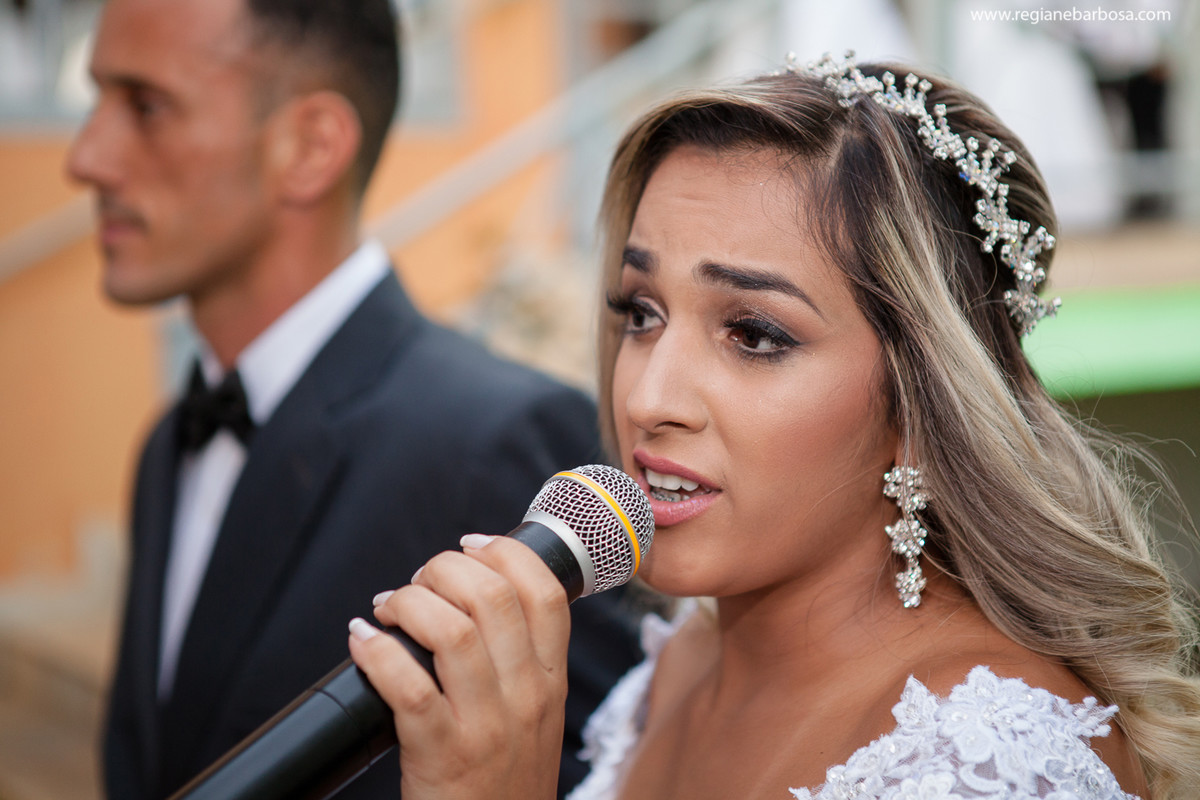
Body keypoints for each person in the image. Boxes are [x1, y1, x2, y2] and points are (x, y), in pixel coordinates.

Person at [347, 53, 1200, 799]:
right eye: (641, 312)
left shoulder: (1003, 764)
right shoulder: (669, 673)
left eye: (754, 334)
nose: (649, 397)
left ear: (920, 402)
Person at [65, 0, 642, 797]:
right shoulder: (169, 442)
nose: (86, 157)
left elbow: (602, 772)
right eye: (94, 99)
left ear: (310, 146)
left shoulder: (496, 436)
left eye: (146, 106)